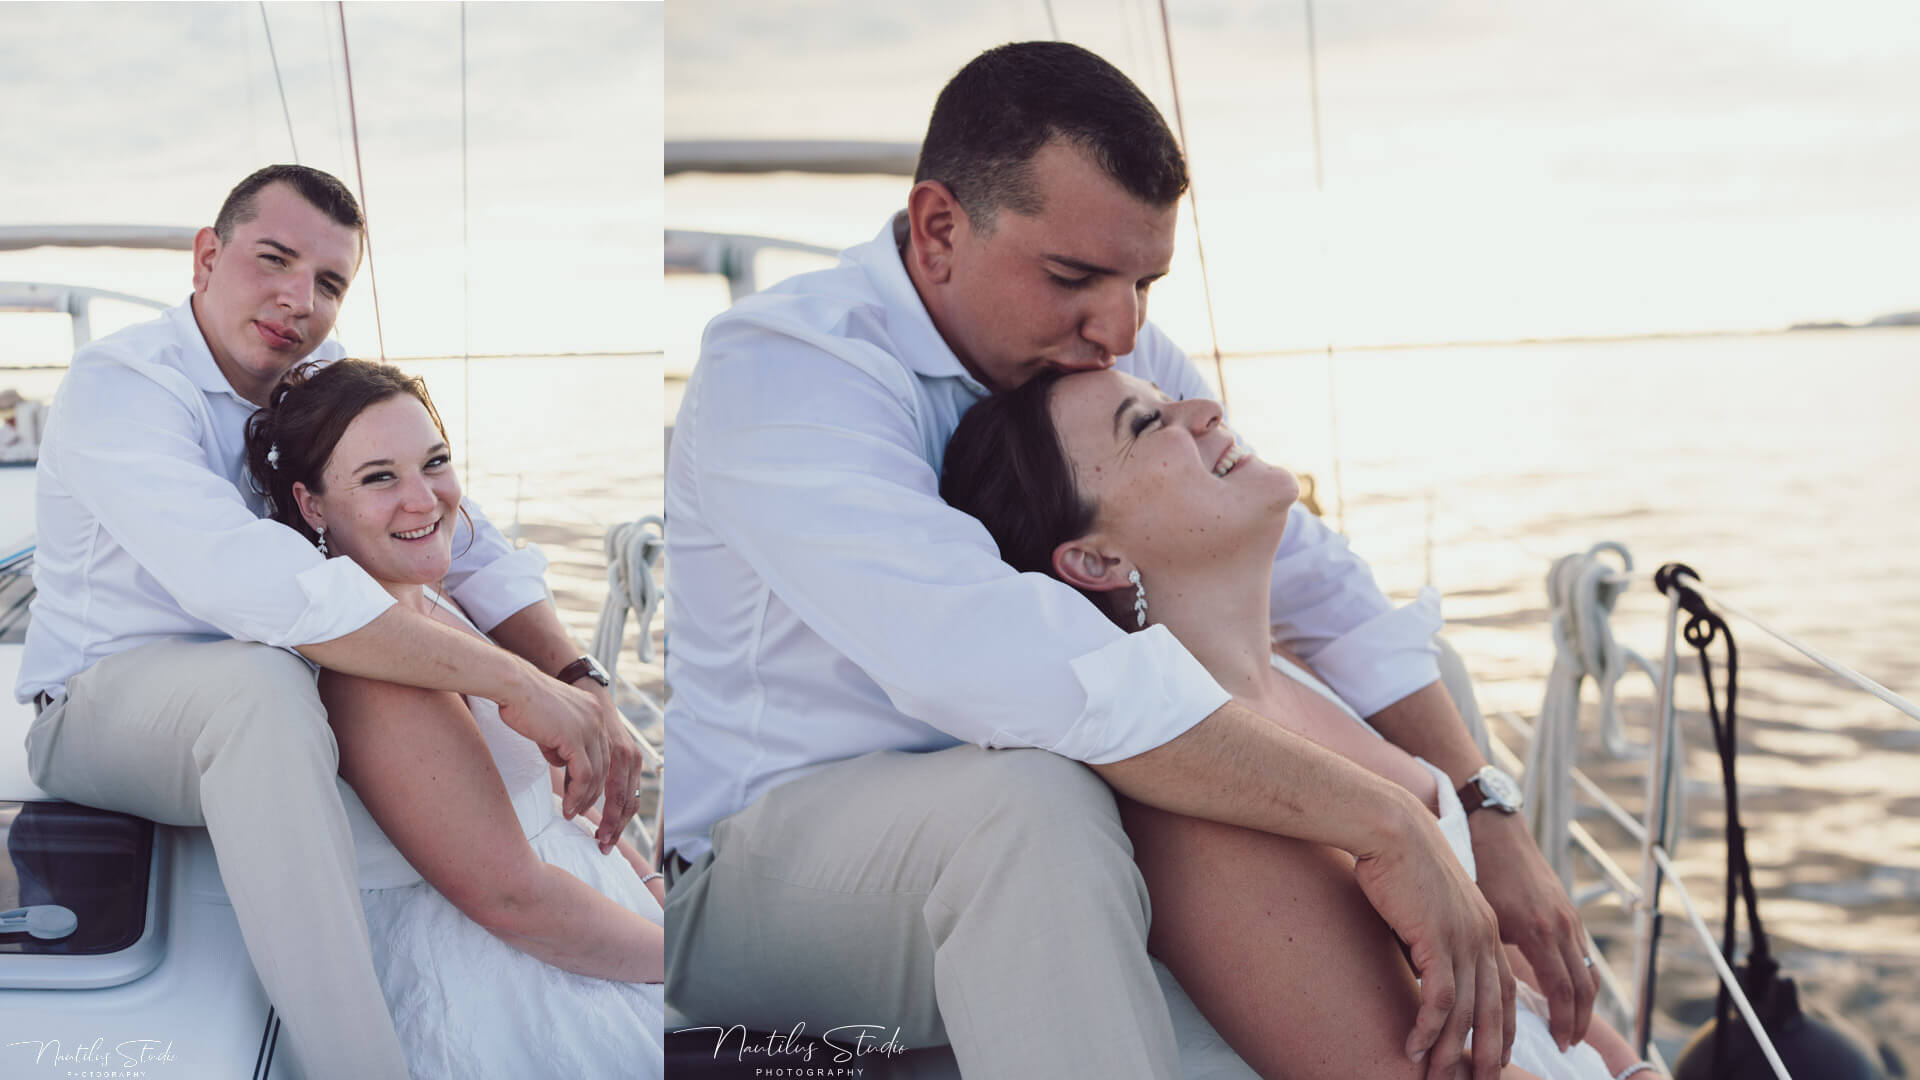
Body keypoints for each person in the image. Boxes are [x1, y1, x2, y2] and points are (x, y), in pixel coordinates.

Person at [664, 42, 1592, 1080]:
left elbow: (1319, 584)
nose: (1121, 328)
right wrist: (1383, 823)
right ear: (938, 231)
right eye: (1075, 277)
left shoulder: (1108, 353)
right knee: (1033, 813)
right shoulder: (792, 368)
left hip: (1067, 821)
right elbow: (994, 654)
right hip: (767, 872)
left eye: (1145, 281)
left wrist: (1480, 807)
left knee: (1274, 732)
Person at [18, 164, 640, 1080]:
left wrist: (579, 682)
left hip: (285, 681)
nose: (298, 299)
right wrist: (516, 686)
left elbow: (461, 539)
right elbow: (251, 587)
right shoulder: (124, 388)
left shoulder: (316, 372)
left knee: (358, 659)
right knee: (262, 687)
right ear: (207, 256)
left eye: (329, 282)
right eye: (273, 260)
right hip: (104, 704)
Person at [941, 368, 1661, 1080]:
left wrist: (1630, 1069)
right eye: (1146, 423)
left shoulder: (1300, 671)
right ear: (1097, 558)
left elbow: (1495, 963)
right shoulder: (1204, 802)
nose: (1202, 409)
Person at [239, 358, 664, 1078]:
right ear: (312, 507)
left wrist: (651, 886)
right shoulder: (378, 674)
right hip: (522, 978)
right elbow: (511, 899)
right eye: (379, 477)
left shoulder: (430, 603)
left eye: (433, 463)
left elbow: (554, 808)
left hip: (604, 917)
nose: (424, 499)